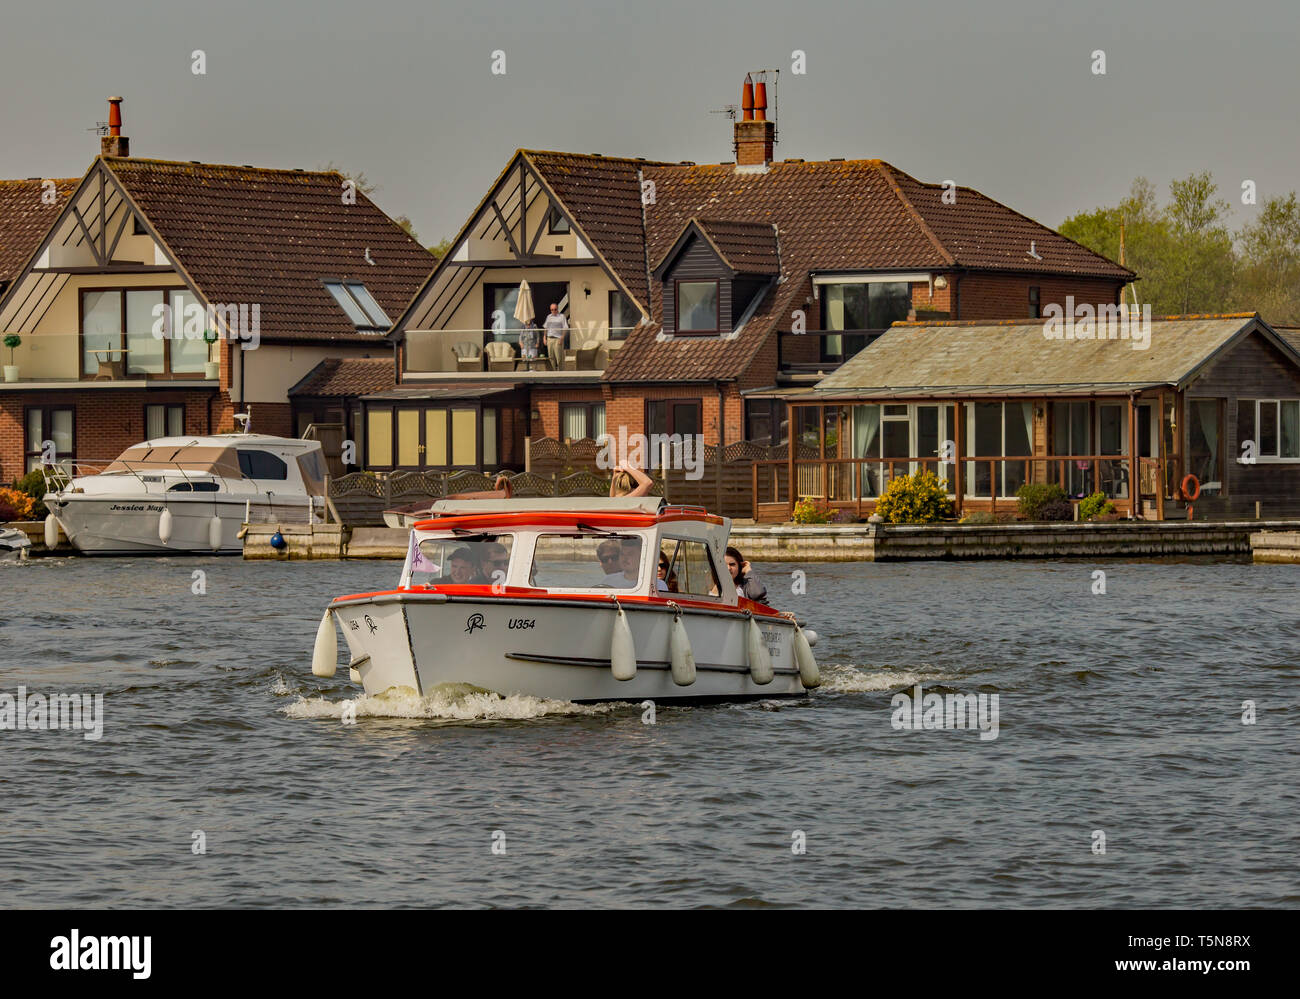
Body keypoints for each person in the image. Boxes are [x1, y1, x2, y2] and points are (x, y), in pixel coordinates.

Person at [542, 302, 568, 371]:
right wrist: (544, 337)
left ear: (557, 309)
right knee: (551, 357)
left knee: (559, 357)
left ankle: (561, 373)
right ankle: (553, 373)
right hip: (549, 338)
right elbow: (545, 328)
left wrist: (562, 337)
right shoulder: (548, 317)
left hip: (558, 339)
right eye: (552, 310)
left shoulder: (562, 316)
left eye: (555, 309)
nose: (553, 311)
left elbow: (565, 328)